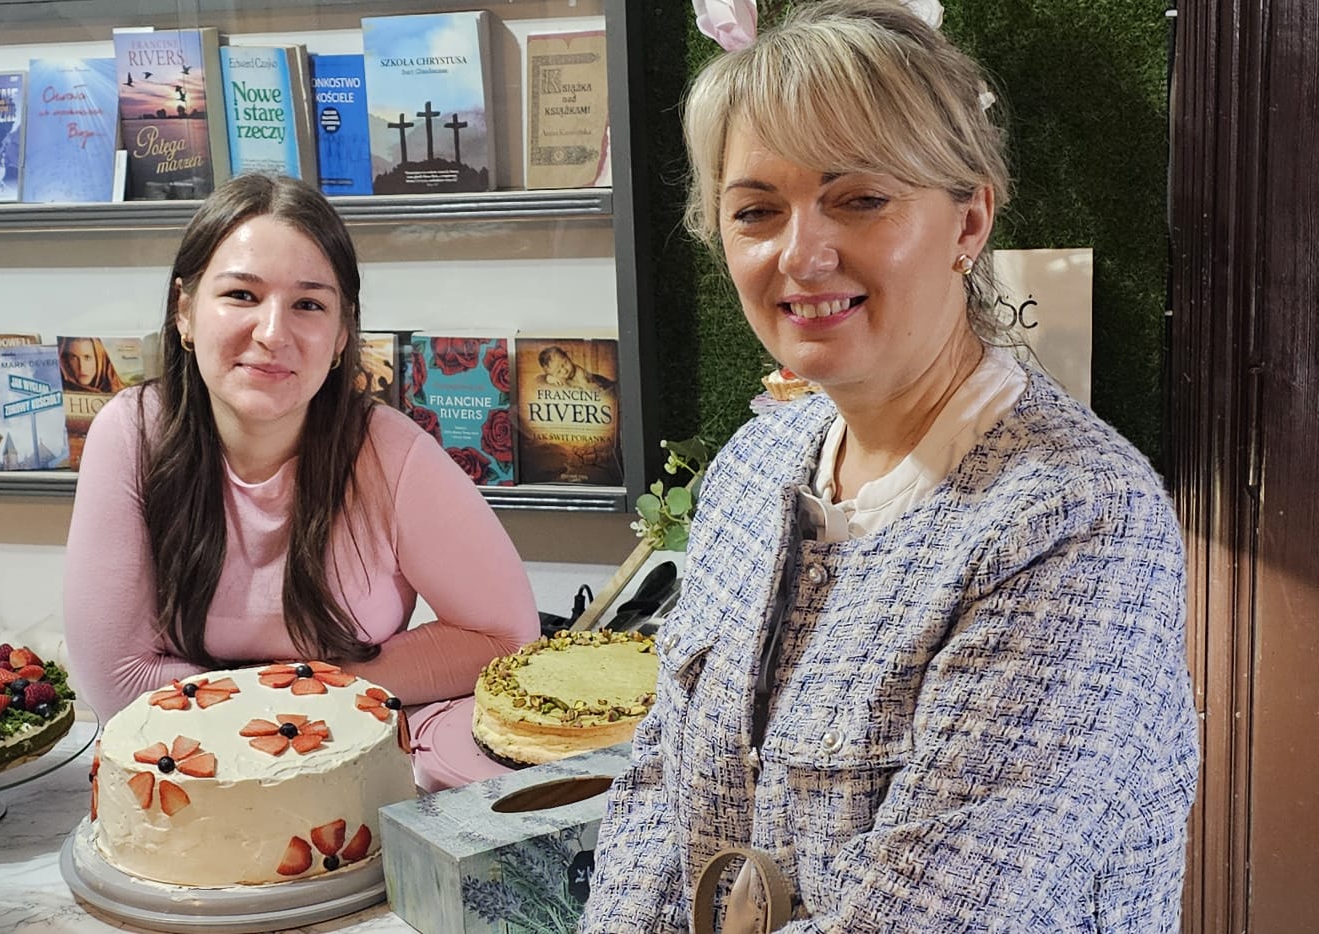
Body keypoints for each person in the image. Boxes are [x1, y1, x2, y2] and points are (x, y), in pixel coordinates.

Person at [583, 3, 1195, 932]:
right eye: (757, 211)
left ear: (969, 222)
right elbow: (658, 787)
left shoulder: (1077, 523)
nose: (801, 254)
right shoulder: (756, 465)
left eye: (860, 199)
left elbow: (932, 914)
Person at [62, 174, 539, 746]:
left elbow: (505, 639)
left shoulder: (392, 454)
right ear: (184, 311)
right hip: (180, 773)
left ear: (341, 336)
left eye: (308, 304)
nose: (272, 333)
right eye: (241, 295)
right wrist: (307, 695)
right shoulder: (132, 432)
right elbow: (118, 681)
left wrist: (299, 697)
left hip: (347, 769)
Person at [60, 336, 125, 394]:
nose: (82, 367)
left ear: (100, 360)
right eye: (73, 358)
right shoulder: (61, 389)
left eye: (87, 357)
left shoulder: (120, 391)